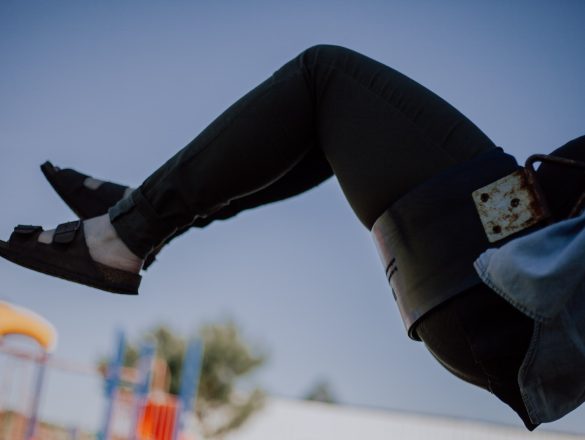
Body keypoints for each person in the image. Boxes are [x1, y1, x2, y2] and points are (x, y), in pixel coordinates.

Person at [0, 45, 583, 429]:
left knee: (324, 77)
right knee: (340, 120)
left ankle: (129, 230)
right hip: (498, 297)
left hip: (506, 288)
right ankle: (144, 213)